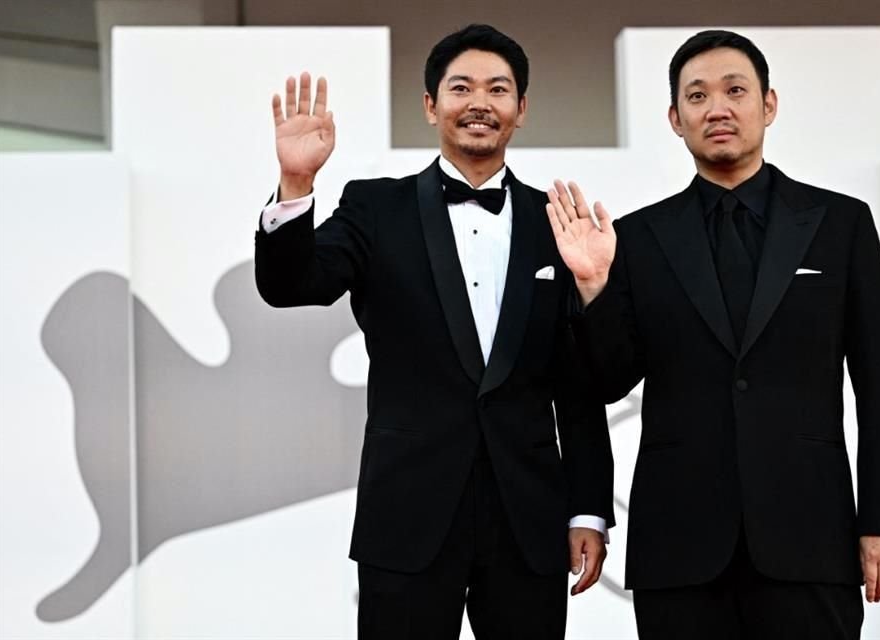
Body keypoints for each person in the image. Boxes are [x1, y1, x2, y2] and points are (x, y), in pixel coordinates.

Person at [545, 29, 880, 640]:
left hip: (810, 535)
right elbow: (608, 381)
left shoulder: (840, 223)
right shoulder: (635, 239)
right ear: (675, 117)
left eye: (735, 90)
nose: (716, 108)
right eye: (696, 96)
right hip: (680, 543)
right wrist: (593, 289)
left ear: (768, 105)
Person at [254, 24, 614, 640]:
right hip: (407, 514)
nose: (480, 102)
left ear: (521, 110)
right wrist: (296, 187)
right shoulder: (374, 208)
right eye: (461, 87)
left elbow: (578, 381)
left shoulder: (555, 223)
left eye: (499, 89)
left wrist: (588, 508)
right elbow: (292, 286)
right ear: (430, 105)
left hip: (527, 517)